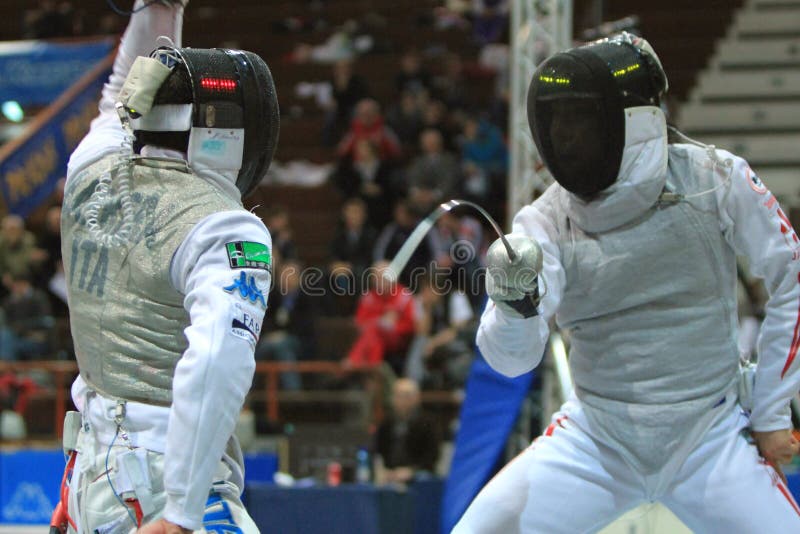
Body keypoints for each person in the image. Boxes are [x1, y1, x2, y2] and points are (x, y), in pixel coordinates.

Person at [454, 33, 800, 532]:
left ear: (635, 122)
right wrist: (514, 309)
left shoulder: (714, 178)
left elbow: (792, 277)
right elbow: (513, 360)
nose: (565, 136)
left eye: (579, 119)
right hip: (595, 441)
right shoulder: (546, 220)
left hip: (712, 435)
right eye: (557, 120)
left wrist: (770, 411)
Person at [55, 1, 279, 532]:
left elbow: (119, 97)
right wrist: (180, 510)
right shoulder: (224, 228)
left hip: (91, 473)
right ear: (221, 135)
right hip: (158, 483)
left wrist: (158, 7)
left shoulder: (91, 167)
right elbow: (216, 361)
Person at [374, 378, 442, 484]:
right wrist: (385, 471)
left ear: (416, 398)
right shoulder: (386, 423)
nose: (402, 400)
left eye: (407, 396)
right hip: (390, 473)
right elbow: (378, 451)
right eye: (398, 395)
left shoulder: (428, 423)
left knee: (423, 478)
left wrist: (411, 471)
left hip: (418, 473)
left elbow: (432, 456)